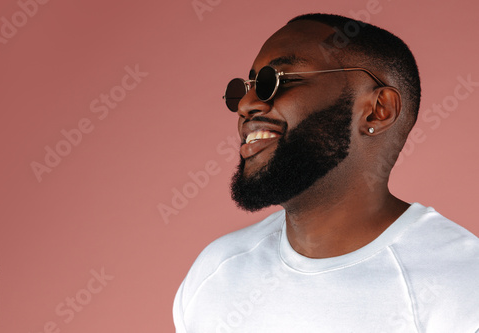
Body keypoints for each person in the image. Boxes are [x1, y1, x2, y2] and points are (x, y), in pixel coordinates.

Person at [173, 13, 479, 333]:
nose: (246, 105)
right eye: (246, 88)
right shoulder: (216, 275)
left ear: (377, 110)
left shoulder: (462, 288)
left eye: (277, 80)